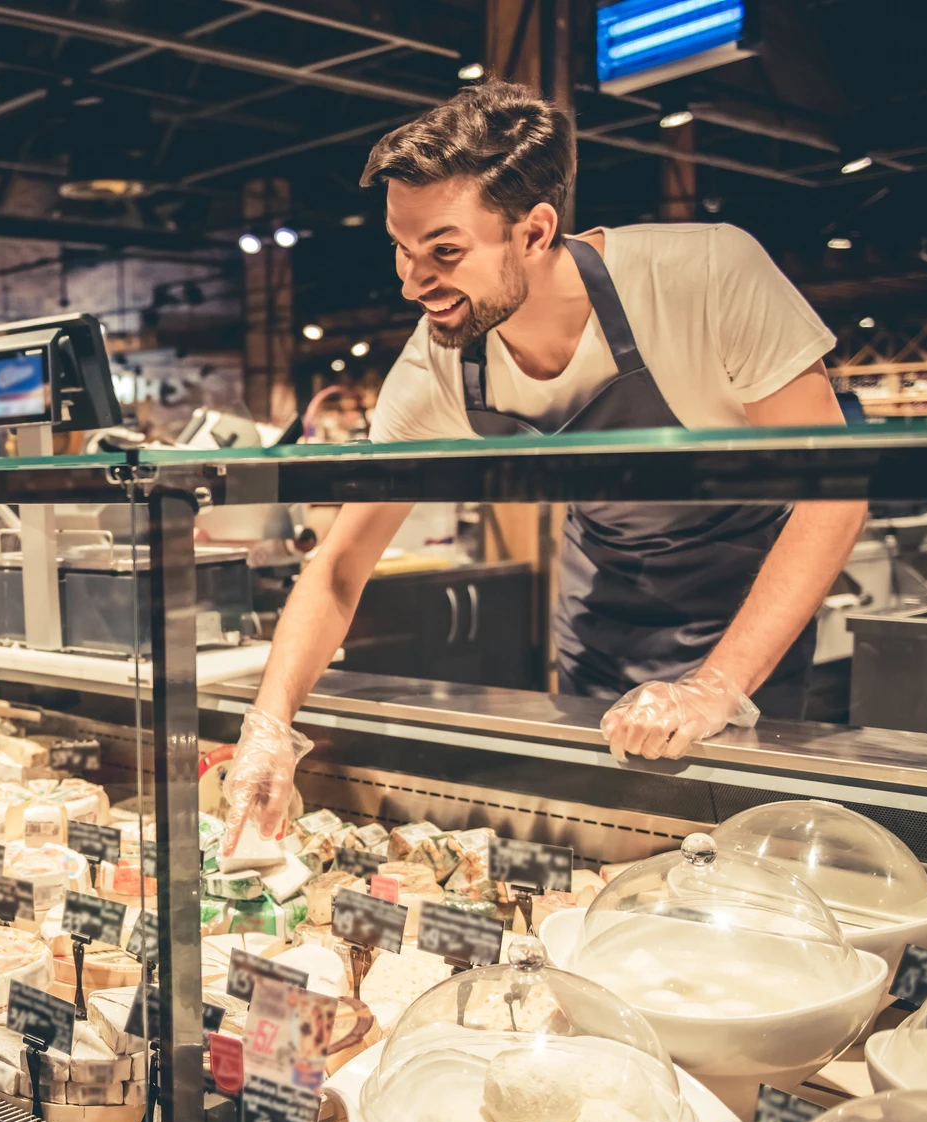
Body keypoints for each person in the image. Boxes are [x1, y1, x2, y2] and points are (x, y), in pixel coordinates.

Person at [223, 82, 865, 848]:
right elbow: (338, 565)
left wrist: (714, 686)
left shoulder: (705, 276)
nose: (411, 280)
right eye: (401, 249)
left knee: (735, 859)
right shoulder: (436, 367)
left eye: (444, 251)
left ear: (533, 231)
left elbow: (835, 487)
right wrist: (269, 721)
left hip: (744, 620)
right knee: (615, 849)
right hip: (598, 617)